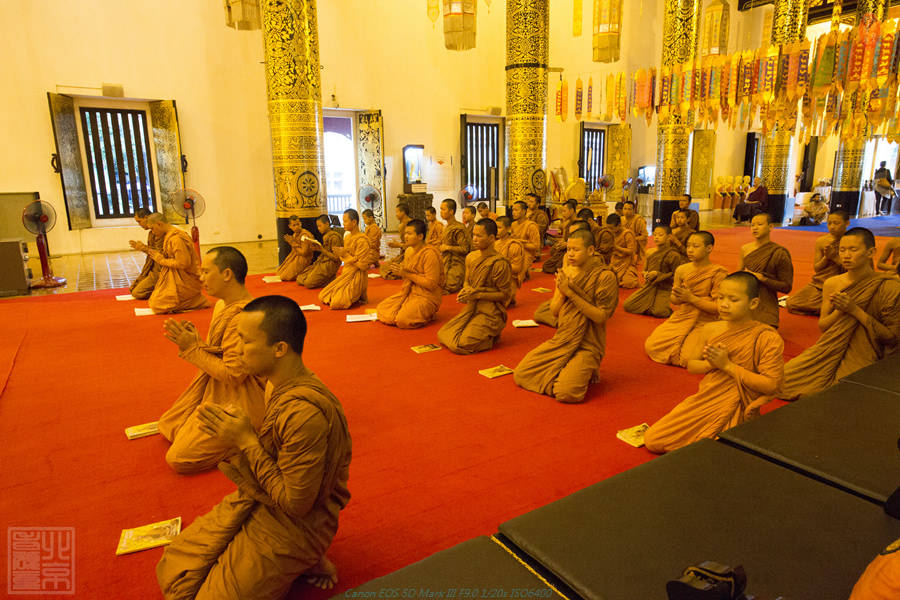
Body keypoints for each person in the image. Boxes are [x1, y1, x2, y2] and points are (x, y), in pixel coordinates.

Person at [156, 295, 352, 598]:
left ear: (279, 349)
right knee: (175, 569)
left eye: (245, 341)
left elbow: (296, 505)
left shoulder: (304, 414)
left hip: (299, 525)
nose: (238, 350)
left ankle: (308, 557)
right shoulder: (275, 383)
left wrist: (246, 441)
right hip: (261, 497)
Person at [643, 272, 784, 453]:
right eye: (720, 298)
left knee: (721, 449)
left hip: (739, 405)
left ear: (753, 303)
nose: (724, 304)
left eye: (733, 300)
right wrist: (712, 363)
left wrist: (727, 366)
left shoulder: (766, 338)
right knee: (654, 439)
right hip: (708, 397)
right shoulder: (710, 329)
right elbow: (692, 365)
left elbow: (771, 385)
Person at [158, 246, 266, 474]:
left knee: (179, 458)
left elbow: (234, 375)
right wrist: (195, 342)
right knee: (169, 425)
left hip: (242, 395)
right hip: (216, 387)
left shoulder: (243, 316)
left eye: (206, 272)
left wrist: (193, 349)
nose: (201, 277)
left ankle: (248, 438)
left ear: (227, 274)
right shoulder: (221, 305)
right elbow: (218, 351)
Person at [781, 227, 900, 400]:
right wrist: (840, 311)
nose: (846, 255)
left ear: (870, 252)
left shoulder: (888, 286)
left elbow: (892, 338)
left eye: (853, 250)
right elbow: (823, 326)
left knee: (845, 392)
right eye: (842, 250)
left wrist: (854, 310)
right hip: (829, 347)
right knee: (783, 379)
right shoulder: (832, 284)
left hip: (865, 351)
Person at [514, 229, 618, 404]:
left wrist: (571, 292)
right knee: (521, 374)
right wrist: (562, 293)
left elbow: (601, 316)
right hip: (562, 340)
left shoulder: (604, 276)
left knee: (567, 393)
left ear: (591, 251)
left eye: (575, 250)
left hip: (588, 345)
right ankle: (570, 372)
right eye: (568, 249)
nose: (570, 254)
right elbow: (554, 311)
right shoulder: (566, 272)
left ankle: (579, 370)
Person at [645, 231, 729, 367]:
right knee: (652, 346)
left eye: (695, 246)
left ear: (709, 248)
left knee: (688, 358)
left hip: (705, 319)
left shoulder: (718, 273)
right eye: (688, 246)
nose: (690, 250)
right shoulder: (682, 270)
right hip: (683, 315)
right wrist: (679, 296)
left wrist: (691, 298)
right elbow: (673, 299)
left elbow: (718, 308)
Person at [437, 219, 512, 354]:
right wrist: (466, 291)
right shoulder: (471, 257)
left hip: (491, 312)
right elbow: (467, 282)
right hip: (472, 307)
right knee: (444, 334)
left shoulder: (500, 263)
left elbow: (505, 294)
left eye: (479, 236)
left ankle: (490, 336)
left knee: (461, 344)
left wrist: (478, 294)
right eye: (473, 235)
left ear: (491, 238)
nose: (474, 239)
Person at [131, 213, 210, 314]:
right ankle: (191, 299)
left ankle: (196, 301)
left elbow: (183, 263)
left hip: (185, 279)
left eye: (153, 228)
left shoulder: (176, 239)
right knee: (154, 301)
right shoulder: (169, 235)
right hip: (174, 276)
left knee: (158, 305)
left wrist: (161, 260)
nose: (153, 232)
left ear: (159, 224)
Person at [376, 219, 444, 329]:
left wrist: (406, 274)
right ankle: (412, 311)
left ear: (420, 236)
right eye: (405, 233)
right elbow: (408, 274)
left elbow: (431, 284)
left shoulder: (430, 254)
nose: (406, 236)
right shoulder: (409, 251)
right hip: (411, 292)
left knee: (402, 320)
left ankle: (429, 314)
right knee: (382, 308)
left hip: (427, 296)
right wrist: (400, 271)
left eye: (409, 233)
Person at [736, 213, 793, 329]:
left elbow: (787, 287)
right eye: (752, 225)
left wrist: (763, 279)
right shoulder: (745, 249)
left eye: (759, 224)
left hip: (765, 301)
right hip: (746, 296)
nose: (755, 228)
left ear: (770, 226)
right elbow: (738, 276)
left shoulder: (779, 253)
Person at [786, 210, 849, 315]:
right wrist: (826, 258)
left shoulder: (851, 241)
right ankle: (829, 308)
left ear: (847, 223)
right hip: (819, 284)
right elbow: (817, 268)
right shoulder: (822, 241)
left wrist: (834, 257)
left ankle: (830, 307)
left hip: (842, 285)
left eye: (836, 223)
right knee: (791, 303)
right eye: (829, 223)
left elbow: (855, 269)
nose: (832, 227)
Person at [533, 221, 594, 328]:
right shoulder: (567, 256)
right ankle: (566, 320)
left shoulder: (597, 265)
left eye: (576, 233)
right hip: (566, 299)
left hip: (586, 307)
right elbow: (556, 306)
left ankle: (569, 321)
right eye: (571, 235)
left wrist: (568, 291)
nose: (573, 237)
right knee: (540, 311)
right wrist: (562, 292)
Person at [623, 225, 686, 318]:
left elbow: (676, 276)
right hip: (650, 285)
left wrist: (658, 275)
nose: (656, 237)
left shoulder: (673, 254)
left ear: (668, 237)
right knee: (628, 305)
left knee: (660, 312)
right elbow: (645, 270)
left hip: (664, 287)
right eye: (655, 234)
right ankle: (652, 307)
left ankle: (655, 307)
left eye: (660, 235)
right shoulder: (650, 252)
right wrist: (645, 274)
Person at [319, 209, 370, 310]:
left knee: (337, 302)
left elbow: (363, 266)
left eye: (345, 221)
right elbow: (345, 257)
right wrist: (339, 253)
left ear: (354, 222)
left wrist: (345, 255)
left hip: (357, 275)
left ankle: (357, 294)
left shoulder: (362, 240)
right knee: (323, 295)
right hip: (346, 273)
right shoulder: (347, 237)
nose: (343, 224)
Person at [296, 215, 343, 289]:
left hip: (330, 264)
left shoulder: (334, 237)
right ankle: (326, 279)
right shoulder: (325, 236)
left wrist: (322, 250)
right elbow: (324, 252)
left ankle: (330, 279)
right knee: (299, 278)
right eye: (317, 226)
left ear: (327, 224)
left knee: (309, 284)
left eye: (320, 226)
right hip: (322, 262)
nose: (318, 229)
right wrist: (316, 248)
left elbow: (337, 258)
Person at [129, 207, 163, 299]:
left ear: (146, 217)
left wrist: (144, 248)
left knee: (137, 293)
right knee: (133, 289)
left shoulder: (160, 231)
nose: (139, 225)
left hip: (162, 270)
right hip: (154, 268)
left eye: (139, 221)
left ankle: (163, 291)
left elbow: (161, 254)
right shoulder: (152, 232)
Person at [439, 198, 471, 294]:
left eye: (443, 209)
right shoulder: (446, 227)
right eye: (440, 209)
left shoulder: (459, 228)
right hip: (445, 262)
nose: (441, 212)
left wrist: (448, 247)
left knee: (448, 286)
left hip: (457, 263)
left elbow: (465, 249)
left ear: (451, 211)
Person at [495, 215, 527, 306]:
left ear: (508, 228)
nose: (497, 230)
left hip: (507, 280)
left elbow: (517, 268)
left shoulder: (514, 245)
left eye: (499, 227)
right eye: (495, 227)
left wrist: (498, 267)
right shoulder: (495, 244)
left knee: (495, 306)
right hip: (494, 278)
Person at [276, 215, 315, 281]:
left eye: (298, 224)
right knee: (280, 272)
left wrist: (293, 243)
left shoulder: (304, 235)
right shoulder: (294, 235)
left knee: (284, 277)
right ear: (290, 226)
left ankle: (306, 271)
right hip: (296, 256)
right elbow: (294, 251)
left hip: (304, 258)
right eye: (294, 225)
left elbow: (304, 253)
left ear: (301, 223)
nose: (297, 227)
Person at [542, 199, 577, 274]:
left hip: (573, 250)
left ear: (571, 211)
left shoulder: (578, 224)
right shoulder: (567, 223)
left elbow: (580, 242)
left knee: (558, 266)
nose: (562, 214)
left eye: (564, 211)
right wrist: (560, 243)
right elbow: (564, 238)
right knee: (547, 265)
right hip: (565, 249)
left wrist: (567, 244)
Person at [605, 213, 639, 288]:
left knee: (630, 282)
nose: (610, 230)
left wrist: (617, 247)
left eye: (612, 228)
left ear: (619, 225)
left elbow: (631, 251)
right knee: (605, 279)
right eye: (608, 228)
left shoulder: (627, 234)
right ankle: (617, 281)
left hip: (626, 263)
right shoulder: (611, 233)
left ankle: (618, 282)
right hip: (614, 262)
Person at [380, 203, 411, 279]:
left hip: (411, 254)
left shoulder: (410, 225)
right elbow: (405, 243)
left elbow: (412, 244)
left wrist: (397, 245)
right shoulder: (401, 225)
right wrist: (397, 244)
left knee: (388, 269)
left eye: (397, 212)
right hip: (404, 253)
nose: (396, 214)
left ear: (403, 212)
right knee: (384, 266)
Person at [510, 200, 542, 272]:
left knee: (515, 273)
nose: (513, 213)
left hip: (526, 254)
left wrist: (520, 243)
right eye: (512, 210)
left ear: (524, 211)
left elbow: (536, 246)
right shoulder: (513, 224)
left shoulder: (531, 226)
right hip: (514, 252)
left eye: (516, 210)